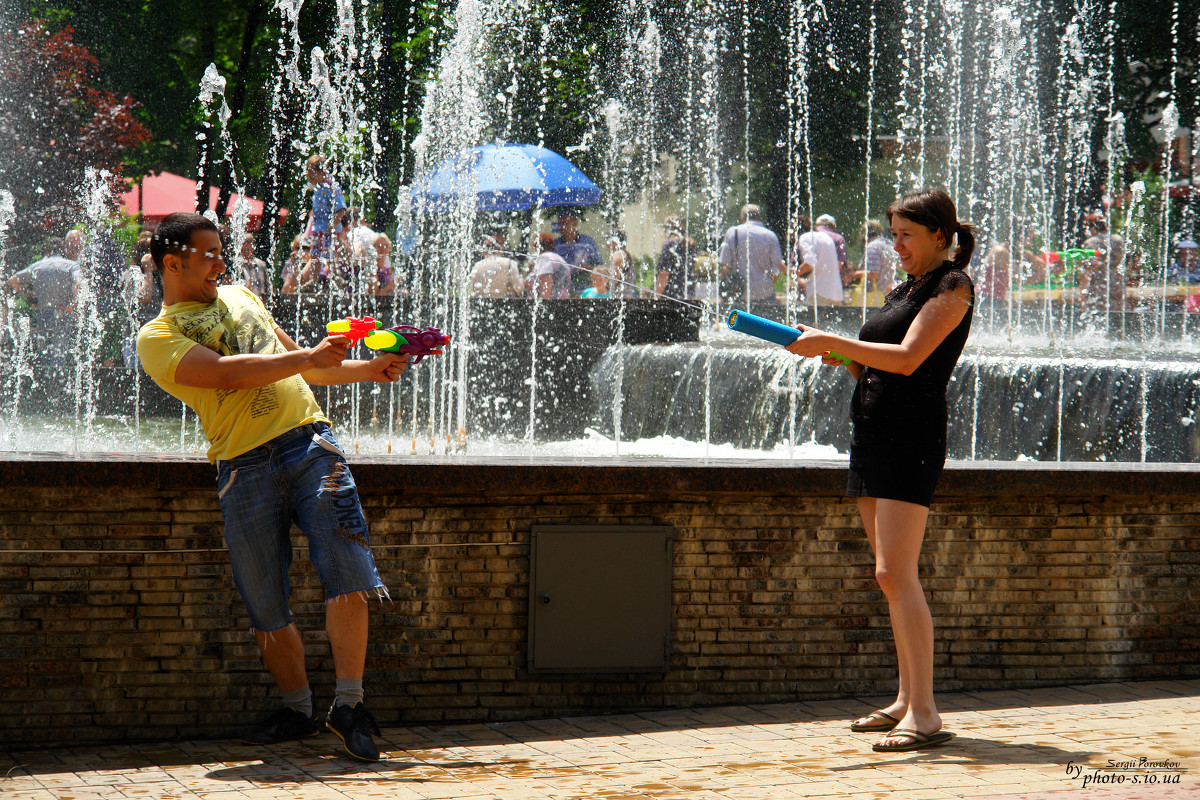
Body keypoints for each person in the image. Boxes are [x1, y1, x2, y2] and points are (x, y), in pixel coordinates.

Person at [136, 212, 408, 763]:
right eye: (209, 253)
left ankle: (349, 707)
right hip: (242, 466)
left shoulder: (242, 296)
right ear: (173, 262)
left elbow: (305, 369)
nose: (221, 262)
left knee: (349, 569)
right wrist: (306, 357)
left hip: (310, 445)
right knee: (265, 600)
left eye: (221, 251)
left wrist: (369, 370)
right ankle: (299, 710)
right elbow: (228, 373)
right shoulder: (157, 337)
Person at [785, 188, 975, 753]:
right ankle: (904, 699)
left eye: (906, 236)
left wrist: (835, 340)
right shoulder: (904, 289)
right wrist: (842, 358)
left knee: (897, 573)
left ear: (939, 236)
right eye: (893, 235)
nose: (897, 246)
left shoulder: (951, 286)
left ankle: (926, 712)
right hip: (872, 433)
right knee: (887, 575)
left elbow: (911, 360)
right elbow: (875, 367)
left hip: (911, 439)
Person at [6, 235, 82, 364]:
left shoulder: (38, 266)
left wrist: (29, 295)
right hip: (62, 312)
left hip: (43, 312)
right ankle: (58, 381)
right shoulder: (71, 265)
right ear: (63, 250)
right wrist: (72, 304)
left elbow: (12, 281)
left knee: (43, 352)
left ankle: (44, 381)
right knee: (60, 352)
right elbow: (79, 283)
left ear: (47, 251)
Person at [718, 204, 785, 309]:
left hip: (739, 293)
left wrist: (726, 285)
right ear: (759, 217)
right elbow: (777, 267)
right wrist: (767, 283)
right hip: (765, 294)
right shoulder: (770, 236)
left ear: (742, 217)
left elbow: (724, 266)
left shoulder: (733, 232)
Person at [1077, 212, 1126, 312]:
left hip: (1098, 285)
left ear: (1093, 227)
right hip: (1117, 283)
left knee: (1097, 316)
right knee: (1116, 316)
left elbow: (1088, 267)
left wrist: (1083, 295)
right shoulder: (1119, 240)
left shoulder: (1091, 242)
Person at [304, 155, 347, 264]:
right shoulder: (319, 187)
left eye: (312, 177)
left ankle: (334, 277)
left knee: (330, 257)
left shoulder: (333, 187)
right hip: (318, 228)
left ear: (323, 173)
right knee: (314, 256)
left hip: (328, 229)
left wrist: (334, 223)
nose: (310, 180)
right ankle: (314, 280)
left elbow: (341, 209)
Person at [793, 214, 842, 305]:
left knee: (815, 319)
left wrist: (794, 273)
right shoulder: (826, 237)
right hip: (836, 292)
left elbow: (809, 263)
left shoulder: (805, 238)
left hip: (818, 292)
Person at [554, 212, 603, 296]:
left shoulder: (588, 243)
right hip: (562, 293)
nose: (562, 227)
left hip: (585, 291)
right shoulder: (556, 244)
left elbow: (600, 267)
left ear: (575, 223)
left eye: (565, 223)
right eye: (560, 224)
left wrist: (587, 268)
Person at [655, 216, 698, 300]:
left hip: (671, 295)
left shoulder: (669, 245)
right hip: (688, 291)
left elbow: (664, 273)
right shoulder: (691, 245)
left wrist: (656, 297)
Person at [857, 219, 899, 294]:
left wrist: (855, 274)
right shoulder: (888, 244)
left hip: (876, 295)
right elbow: (899, 265)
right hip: (888, 292)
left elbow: (873, 274)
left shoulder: (872, 247)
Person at [815, 214, 853, 286]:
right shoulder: (838, 238)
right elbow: (839, 264)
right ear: (833, 228)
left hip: (807, 284)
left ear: (816, 226)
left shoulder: (806, 237)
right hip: (829, 286)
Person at [532, 232, 572, 299]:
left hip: (551, 302)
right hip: (562, 301)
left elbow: (547, 281)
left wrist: (543, 304)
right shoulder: (557, 258)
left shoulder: (544, 258)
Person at [238, 235, 272, 301]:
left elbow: (267, 287)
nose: (246, 253)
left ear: (253, 249)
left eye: (249, 250)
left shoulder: (261, 265)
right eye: (244, 250)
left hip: (259, 301)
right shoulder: (238, 266)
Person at [606, 229, 639, 299]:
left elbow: (614, 279)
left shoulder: (617, 255)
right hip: (630, 295)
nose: (606, 244)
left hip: (620, 297)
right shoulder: (627, 254)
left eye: (608, 241)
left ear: (614, 241)